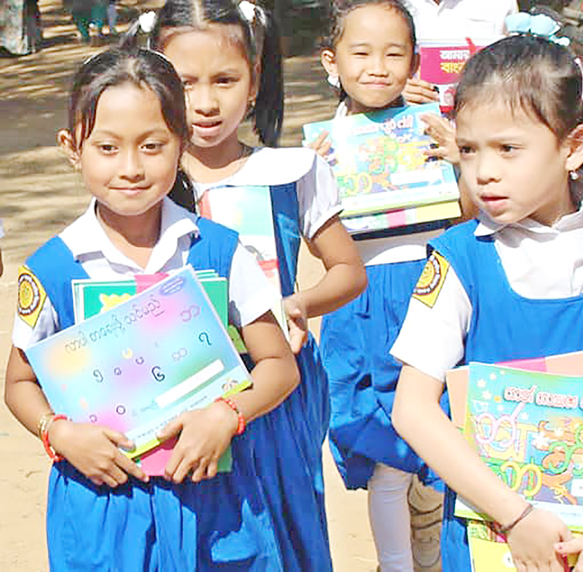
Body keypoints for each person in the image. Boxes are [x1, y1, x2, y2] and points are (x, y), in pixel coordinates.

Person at [391, 34, 583, 572]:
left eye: (508, 148)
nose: (483, 171)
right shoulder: (455, 262)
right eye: (469, 149)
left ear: (574, 147)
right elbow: (413, 410)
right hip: (496, 540)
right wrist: (516, 518)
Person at [4, 47, 300, 569]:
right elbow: (19, 383)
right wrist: (61, 433)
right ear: (72, 149)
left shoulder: (220, 252)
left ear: (181, 143)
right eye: (108, 148)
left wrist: (226, 415)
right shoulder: (51, 269)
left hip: (217, 497)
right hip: (103, 505)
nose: (132, 168)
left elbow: (279, 366)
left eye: (152, 145)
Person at [122, 1, 367, 569]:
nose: (205, 102)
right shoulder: (138, 184)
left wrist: (296, 304)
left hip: (274, 388)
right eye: (184, 82)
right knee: (186, 526)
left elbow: (348, 271)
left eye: (225, 80)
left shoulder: (292, 174)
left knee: (278, 520)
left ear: (255, 82)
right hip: (175, 389)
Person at [310, 1, 471, 569]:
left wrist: (459, 160)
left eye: (393, 53)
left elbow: (469, 219)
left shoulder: (432, 130)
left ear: (415, 62)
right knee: (387, 454)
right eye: (361, 52)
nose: (377, 67)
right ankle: (397, 564)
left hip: (434, 292)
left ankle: (431, 537)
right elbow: (319, 248)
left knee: (447, 441)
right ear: (331, 61)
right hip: (362, 303)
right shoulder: (322, 146)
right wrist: (311, 185)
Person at [399, 0, 519, 104]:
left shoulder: (501, 3)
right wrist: (394, 91)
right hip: (407, 117)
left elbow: (515, 68)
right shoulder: (390, 5)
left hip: (480, 116)